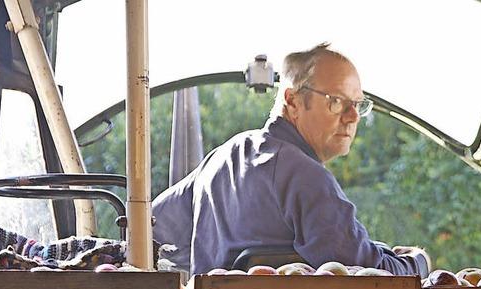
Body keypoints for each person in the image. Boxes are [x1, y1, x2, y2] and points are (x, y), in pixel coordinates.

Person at [152, 43, 430, 276]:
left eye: (357, 104)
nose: (353, 116)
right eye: (336, 101)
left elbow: (151, 229)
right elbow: (371, 276)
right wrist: (418, 262)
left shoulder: (220, 158)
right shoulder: (307, 177)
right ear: (293, 101)